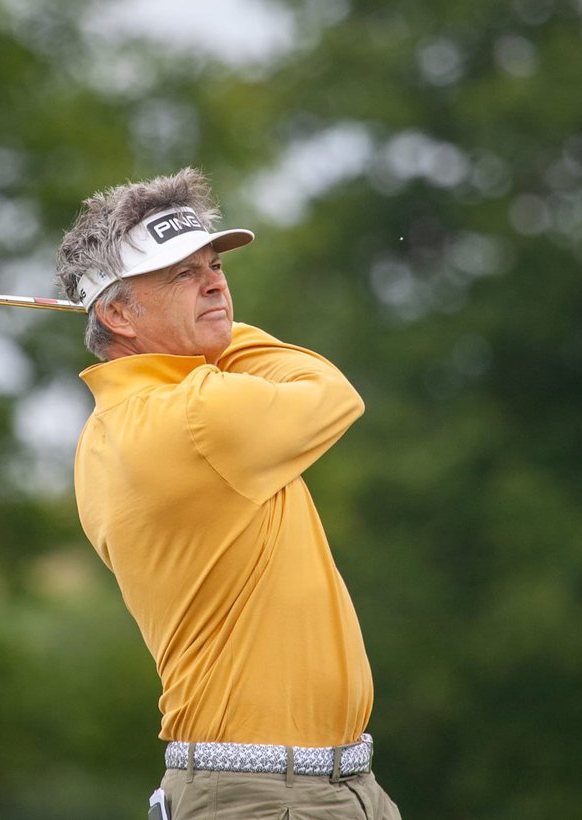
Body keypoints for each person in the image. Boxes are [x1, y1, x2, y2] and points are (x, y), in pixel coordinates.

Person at [55, 168, 401, 819]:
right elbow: (330, 392)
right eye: (182, 274)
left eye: (214, 266)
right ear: (117, 313)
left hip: (332, 786)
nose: (216, 282)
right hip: (266, 798)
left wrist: (196, 325)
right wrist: (223, 333)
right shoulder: (194, 417)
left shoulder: (114, 425)